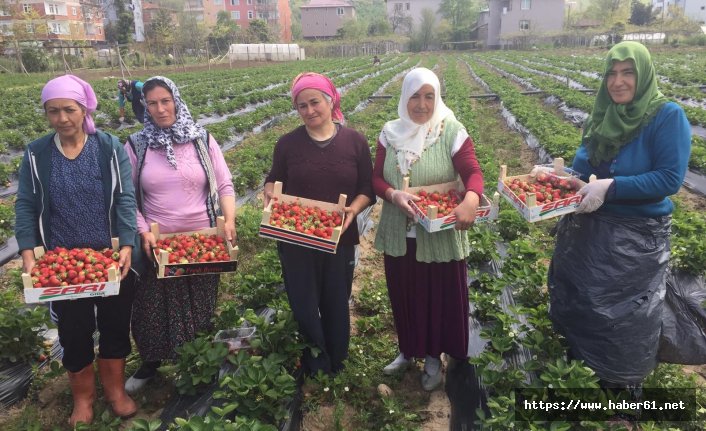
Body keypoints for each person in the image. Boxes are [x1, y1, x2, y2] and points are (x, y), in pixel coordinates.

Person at [548, 42, 691, 393]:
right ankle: (582, 376)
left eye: (628, 72)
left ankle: (621, 393)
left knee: (624, 320)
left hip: (634, 242)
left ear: (642, 76)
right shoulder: (600, 116)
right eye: (611, 73)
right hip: (588, 233)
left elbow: (669, 178)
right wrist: (566, 179)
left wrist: (612, 187)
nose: (618, 82)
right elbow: (585, 168)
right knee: (582, 304)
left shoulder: (667, 116)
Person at [15, 75, 142, 427]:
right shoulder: (37, 153)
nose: (62, 118)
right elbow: (25, 204)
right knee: (74, 330)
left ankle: (115, 391)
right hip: (62, 259)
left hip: (109, 254)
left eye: (69, 109)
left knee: (116, 323)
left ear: (83, 108)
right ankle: (83, 397)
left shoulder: (108, 147)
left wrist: (127, 241)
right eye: (53, 111)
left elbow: (125, 198)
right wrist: (28, 250)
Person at [372, 67, 484, 391]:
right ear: (405, 97)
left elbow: (472, 171)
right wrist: (392, 194)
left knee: (436, 297)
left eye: (429, 96)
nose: (422, 104)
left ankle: (434, 357)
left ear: (437, 98)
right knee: (404, 293)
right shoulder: (389, 133)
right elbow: (375, 178)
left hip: (438, 233)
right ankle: (408, 349)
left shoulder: (450, 131)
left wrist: (472, 197)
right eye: (415, 96)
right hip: (400, 233)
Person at [123, 76, 237, 392]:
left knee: (199, 303)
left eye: (165, 101)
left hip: (203, 240)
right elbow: (126, 196)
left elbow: (225, 184)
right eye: (152, 103)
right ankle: (151, 363)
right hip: (158, 243)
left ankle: (198, 362)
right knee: (151, 307)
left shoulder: (202, 139)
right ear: (144, 106)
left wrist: (228, 220)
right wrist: (144, 231)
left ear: (176, 100)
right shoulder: (136, 145)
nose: (160, 109)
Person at [264, 72, 374, 376]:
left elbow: (368, 187)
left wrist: (353, 208)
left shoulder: (354, 142)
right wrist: (270, 189)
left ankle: (337, 360)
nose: (310, 110)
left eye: (315, 102)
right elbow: (274, 178)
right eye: (302, 106)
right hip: (296, 235)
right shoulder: (287, 144)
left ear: (331, 100)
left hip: (339, 235)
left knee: (336, 298)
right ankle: (313, 358)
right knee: (303, 300)